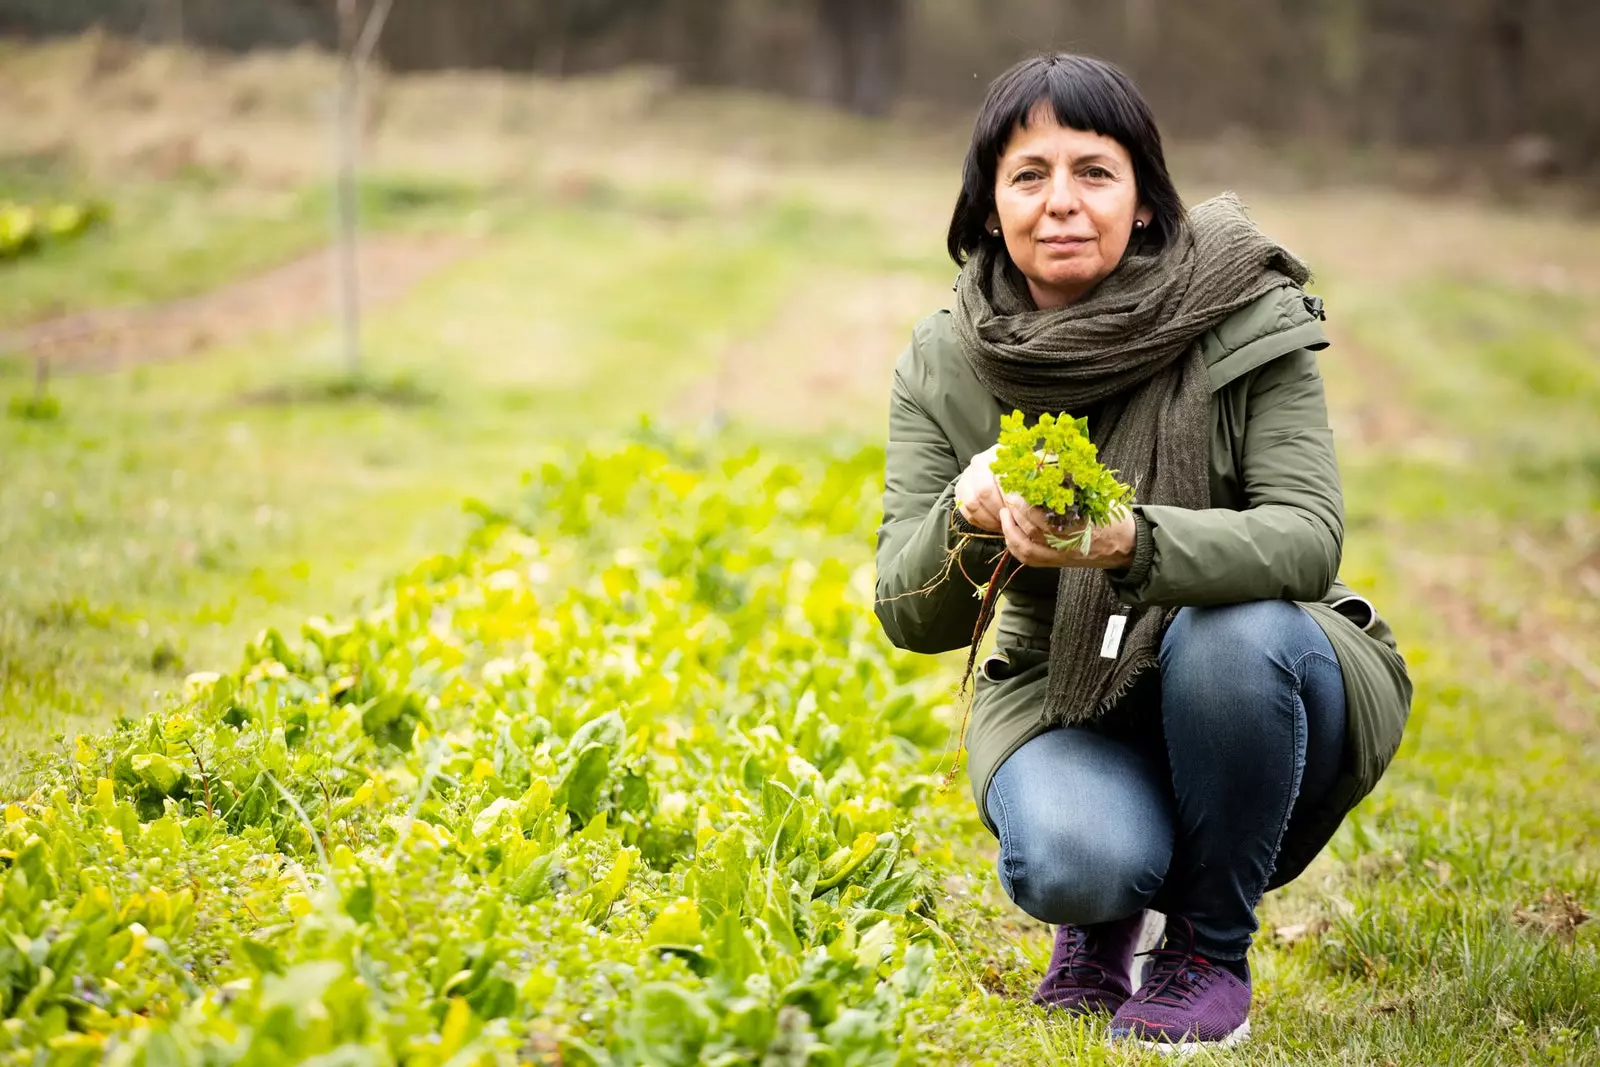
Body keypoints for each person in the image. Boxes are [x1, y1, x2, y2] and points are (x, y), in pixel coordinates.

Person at [873, 54, 1412, 1051]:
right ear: (989, 207)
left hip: (1262, 664)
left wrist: (1134, 538)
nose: (1061, 202)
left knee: (1231, 633)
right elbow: (907, 614)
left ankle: (1206, 948)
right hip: (1058, 681)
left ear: (1145, 203)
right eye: (1028, 175)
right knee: (1075, 859)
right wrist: (968, 509)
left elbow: (1305, 535)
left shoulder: (1244, 312)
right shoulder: (946, 356)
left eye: (1094, 171)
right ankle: (1102, 918)